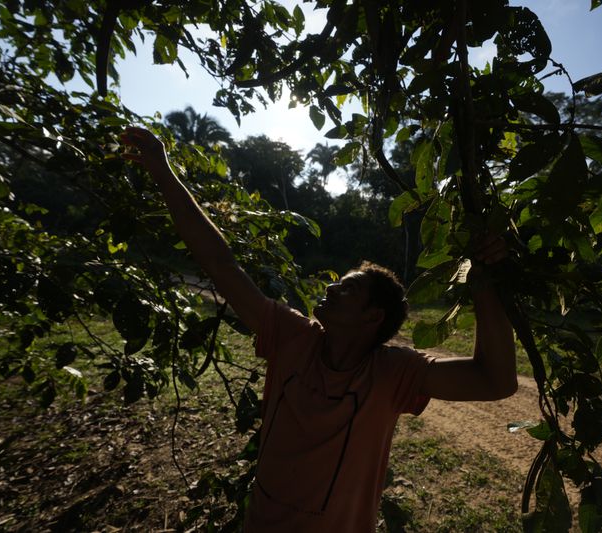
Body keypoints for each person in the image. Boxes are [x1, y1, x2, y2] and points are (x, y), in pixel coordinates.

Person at [120, 126, 517, 532]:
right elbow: (221, 264)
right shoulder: (294, 336)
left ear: (372, 317)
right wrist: (162, 171)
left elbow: (495, 381)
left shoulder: (392, 372)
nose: (330, 287)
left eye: (348, 289)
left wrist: (485, 280)